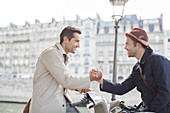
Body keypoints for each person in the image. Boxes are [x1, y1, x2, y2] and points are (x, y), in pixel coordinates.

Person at [91, 28, 170, 113]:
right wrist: (100, 80)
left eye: (127, 44)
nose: (125, 48)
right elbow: (122, 88)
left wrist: (149, 111)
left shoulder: (158, 60)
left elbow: (165, 93)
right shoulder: (137, 68)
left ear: (138, 45)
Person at [25, 26, 101, 113]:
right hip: (47, 106)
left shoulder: (61, 56)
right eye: (76, 41)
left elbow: (63, 81)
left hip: (60, 103)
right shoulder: (51, 53)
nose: (78, 45)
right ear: (65, 39)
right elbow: (65, 80)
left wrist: (83, 89)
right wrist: (90, 78)